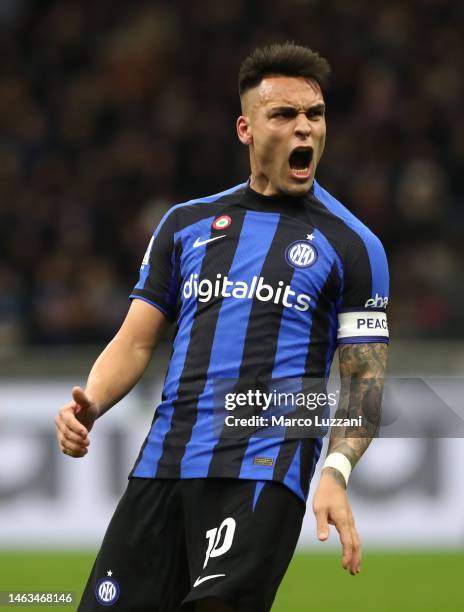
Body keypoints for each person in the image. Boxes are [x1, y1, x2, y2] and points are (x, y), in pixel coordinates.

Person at [55, 43, 389, 612]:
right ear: (247, 128)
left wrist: (335, 471)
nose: (304, 129)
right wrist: (91, 403)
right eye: (284, 115)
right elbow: (135, 340)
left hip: (263, 472)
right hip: (164, 466)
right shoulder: (186, 225)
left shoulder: (353, 246)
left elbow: (364, 382)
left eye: (315, 114)